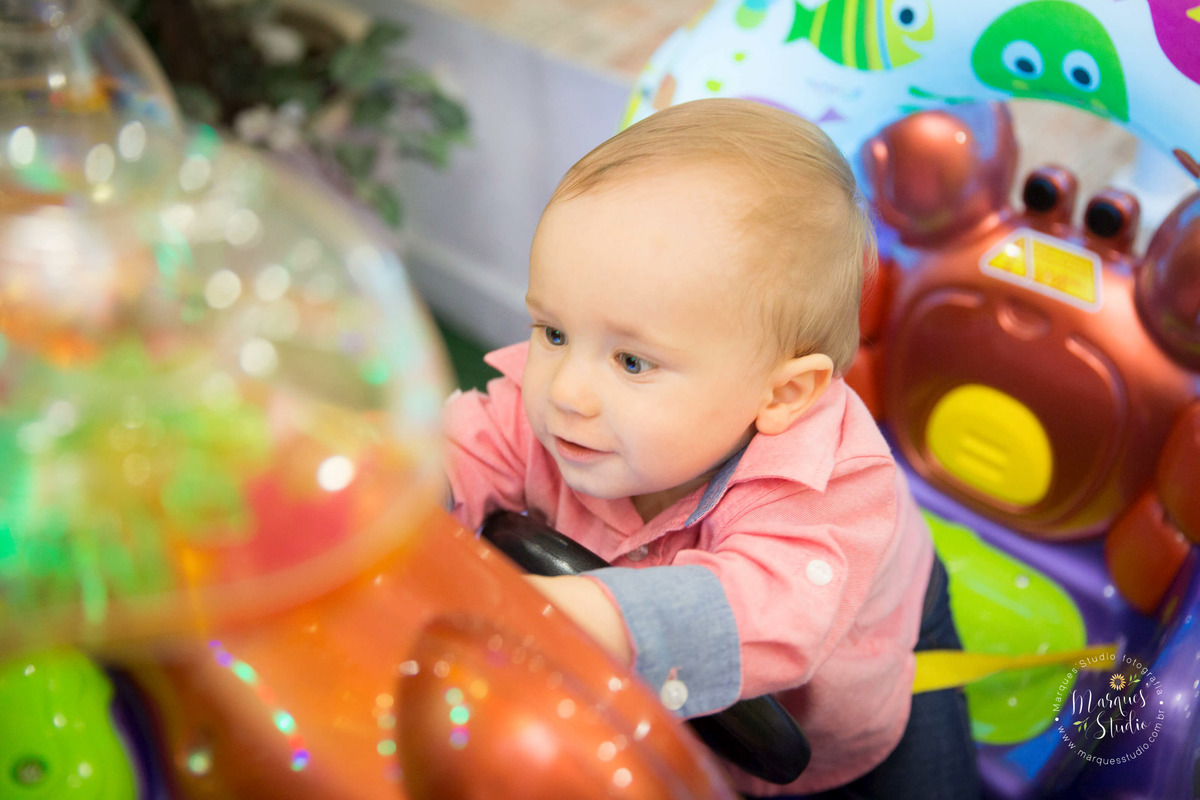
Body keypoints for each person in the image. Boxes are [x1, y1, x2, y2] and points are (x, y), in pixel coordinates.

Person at [442, 97, 979, 799]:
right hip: (686, 724)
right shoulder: (550, 414)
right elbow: (468, 448)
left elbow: (769, 610)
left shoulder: (833, 484)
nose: (566, 391)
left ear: (781, 395)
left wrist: (587, 615)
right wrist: (405, 484)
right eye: (553, 332)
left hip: (854, 687)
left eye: (632, 362)